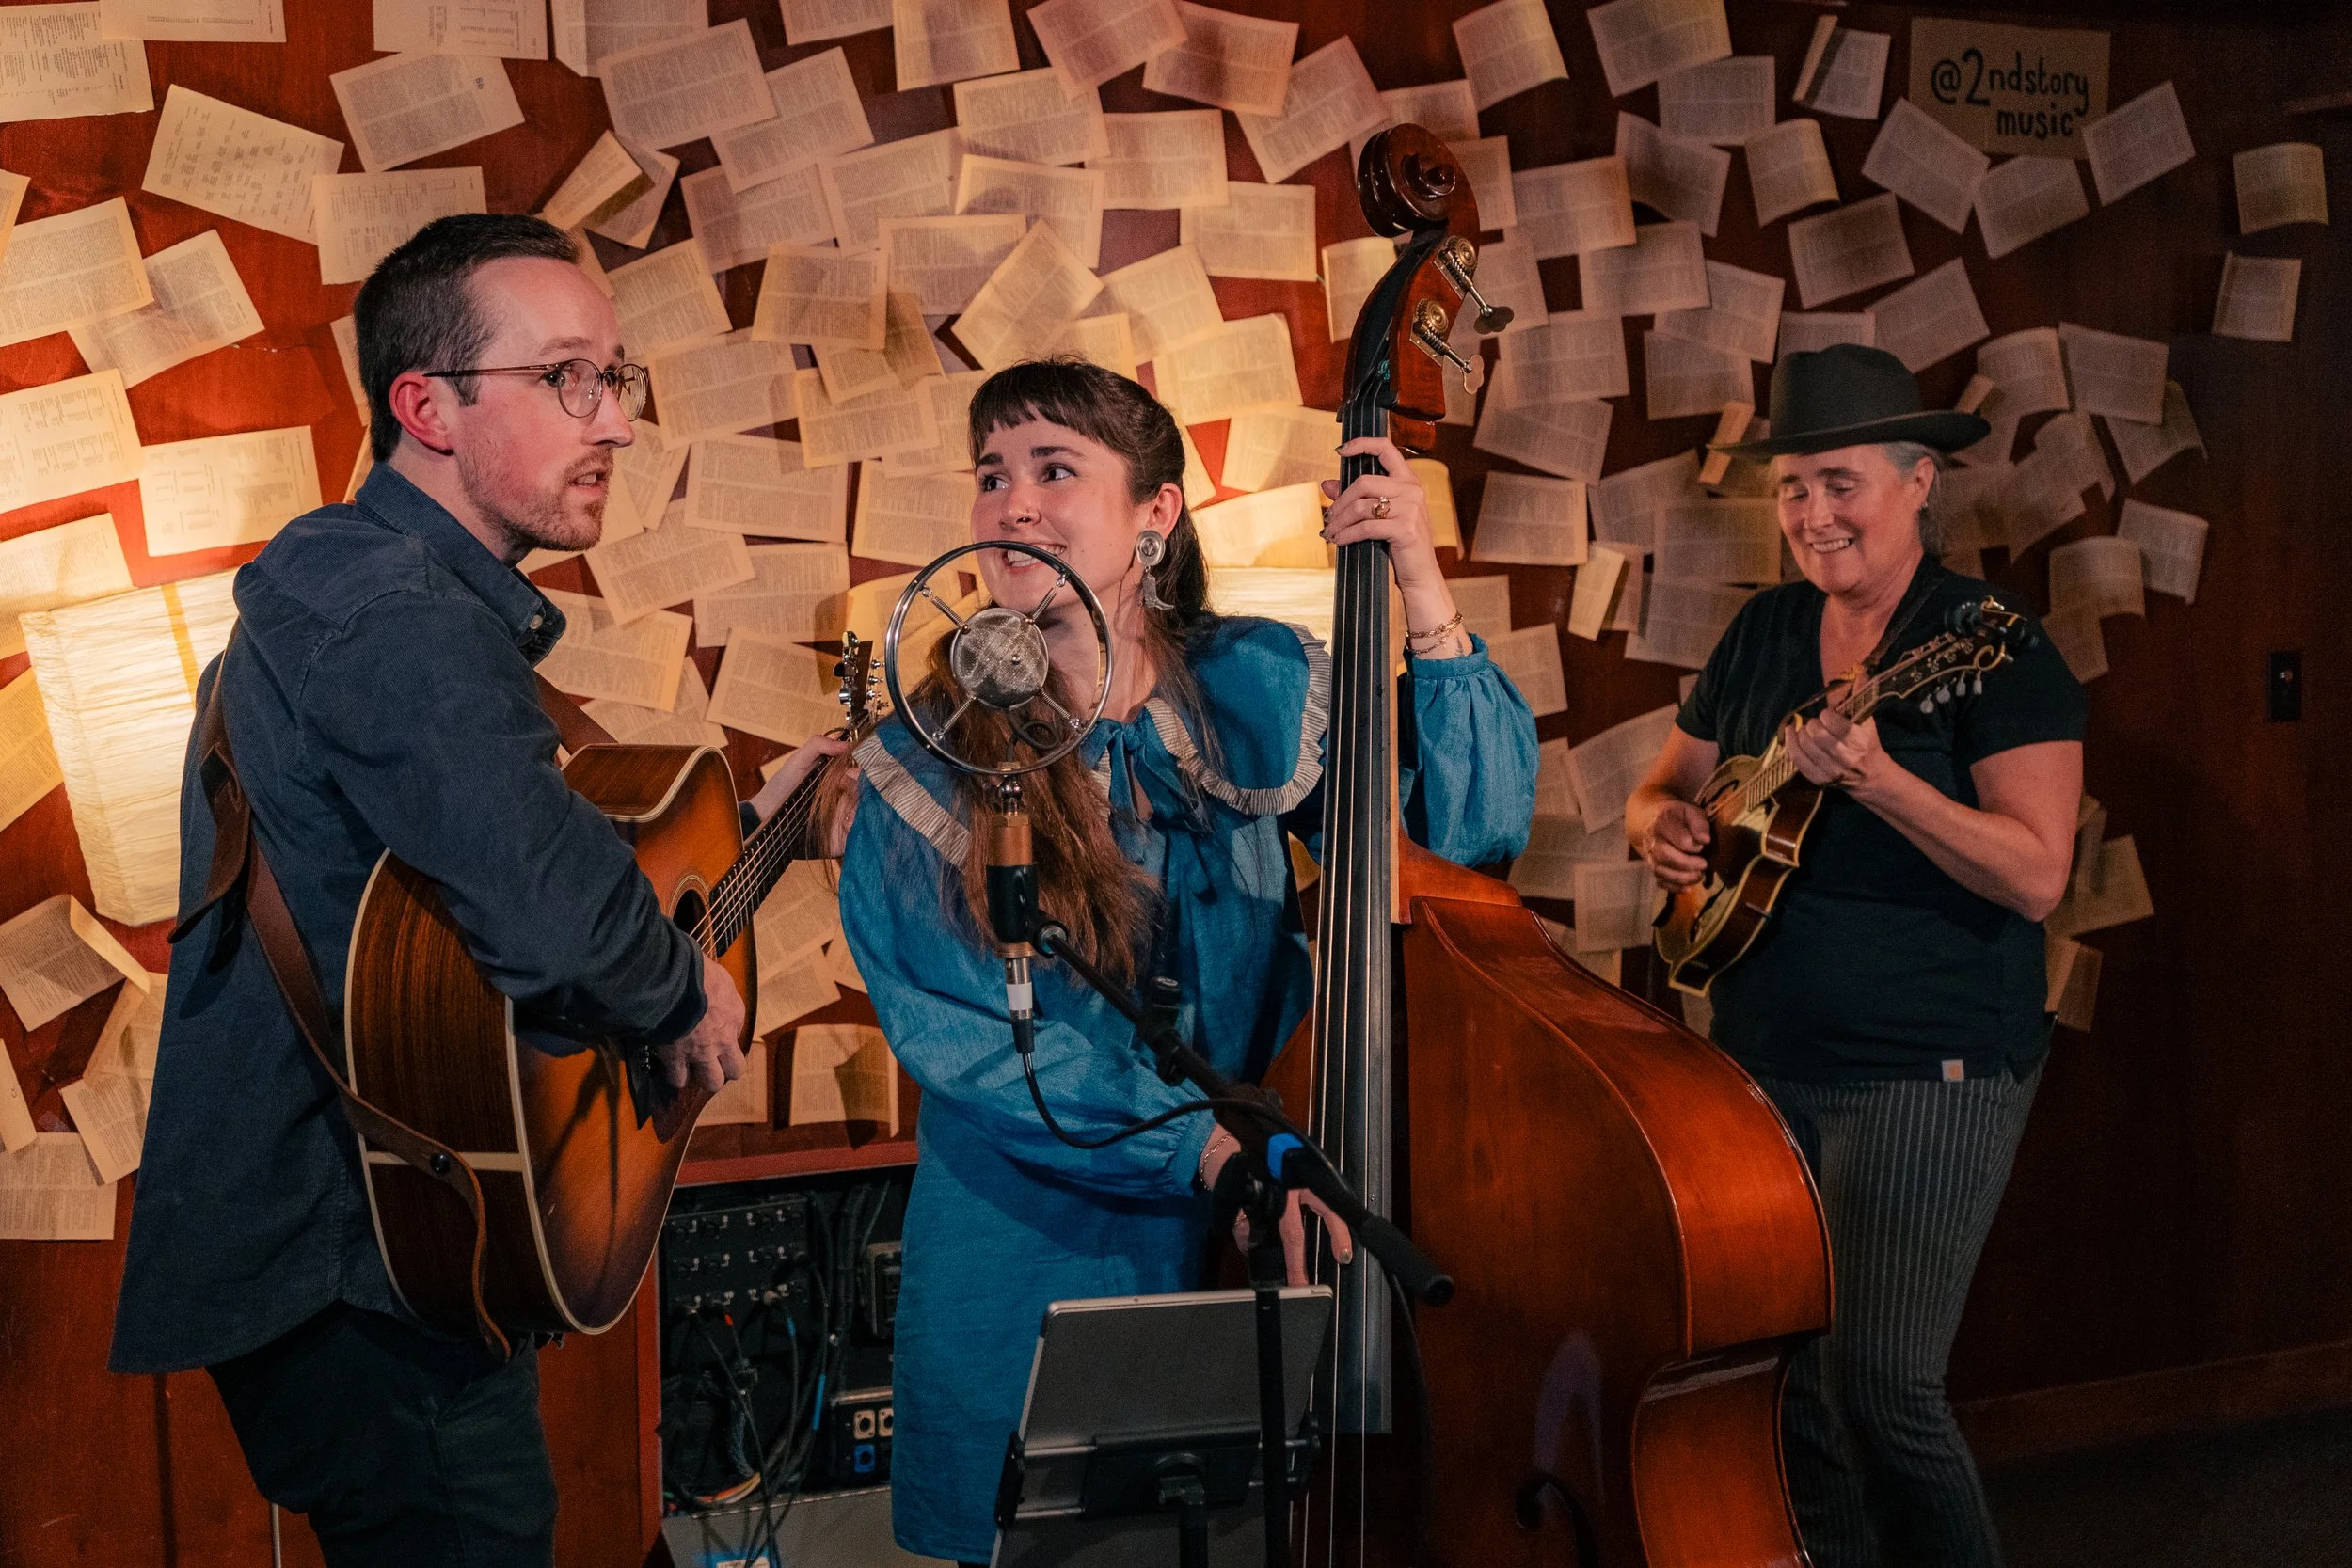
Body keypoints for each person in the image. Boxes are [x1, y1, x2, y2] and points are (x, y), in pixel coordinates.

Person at [108, 214, 839, 1567]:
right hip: (357, 1266)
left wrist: (762, 827)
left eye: (616, 377)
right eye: (568, 377)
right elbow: (548, 902)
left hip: (402, 1251)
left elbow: (506, 855)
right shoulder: (385, 605)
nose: (615, 421)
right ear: (426, 407)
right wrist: (680, 990)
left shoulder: (382, 594)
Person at [834, 357, 1536, 1564]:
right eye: (992, 475)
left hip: (1253, 1230)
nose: (1013, 502)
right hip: (1037, 1240)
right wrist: (1205, 1150)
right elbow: (975, 1040)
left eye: (1055, 469)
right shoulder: (928, 756)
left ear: (1154, 512)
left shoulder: (1252, 686)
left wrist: (1420, 587)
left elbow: (1459, 842)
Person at [1626, 344, 2087, 1568]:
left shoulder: (1988, 645)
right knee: (1789, 1384)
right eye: (1793, 488)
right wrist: (1659, 826)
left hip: (1929, 1063)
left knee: (1881, 1384)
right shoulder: (1766, 628)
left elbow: (2036, 873)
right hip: (1760, 1057)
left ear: (1918, 480)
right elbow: (1662, 785)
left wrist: (1884, 782)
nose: (1813, 512)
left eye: (1842, 483)